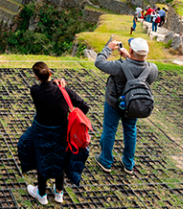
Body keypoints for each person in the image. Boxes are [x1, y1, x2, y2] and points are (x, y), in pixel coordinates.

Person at [18, 62, 90, 205]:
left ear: (37, 77)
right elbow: (84, 107)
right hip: (61, 131)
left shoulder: (35, 91)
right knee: (60, 159)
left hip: (41, 131)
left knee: (42, 159)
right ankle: (59, 193)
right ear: (50, 73)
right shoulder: (64, 91)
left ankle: (42, 194)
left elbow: (42, 87)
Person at [94, 37, 158, 174]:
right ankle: (128, 163)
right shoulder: (152, 69)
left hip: (114, 103)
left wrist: (108, 48)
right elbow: (139, 71)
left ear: (130, 50)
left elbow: (99, 62)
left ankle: (106, 160)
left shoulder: (119, 66)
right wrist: (130, 58)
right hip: (134, 105)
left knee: (110, 130)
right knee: (131, 131)